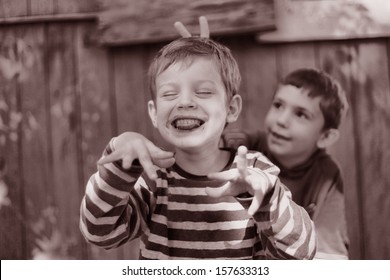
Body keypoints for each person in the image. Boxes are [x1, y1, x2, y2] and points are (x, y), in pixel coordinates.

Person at [79, 35, 316, 259]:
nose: (184, 102)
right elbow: (99, 233)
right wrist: (121, 163)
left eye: (203, 92)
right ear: (154, 113)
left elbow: (302, 252)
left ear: (231, 109)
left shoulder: (255, 171)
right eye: (170, 94)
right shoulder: (153, 180)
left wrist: (268, 198)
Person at [222, 68, 350, 259]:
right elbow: (202, 150)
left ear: (325, 137)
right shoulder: (242, 146)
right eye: (278, 105)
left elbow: (331, 255)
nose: (281, 120)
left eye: (301, 114)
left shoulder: (325, 174)